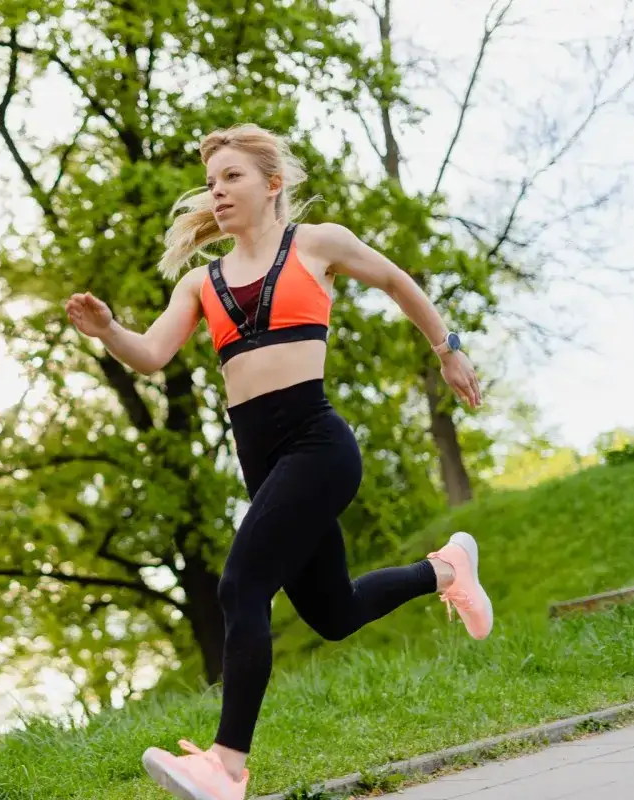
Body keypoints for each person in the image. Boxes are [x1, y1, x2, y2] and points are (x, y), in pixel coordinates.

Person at [63, 123, 493, 800]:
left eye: (231, 176)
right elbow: (151, 354)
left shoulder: (315, 244)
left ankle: (226, 767)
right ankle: (446, 570)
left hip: (318, 448)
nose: (217, 190)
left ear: (271, 184)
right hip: (264, 466)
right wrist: (109, 329)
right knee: (335, 613)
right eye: (211, 182)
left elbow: (395, 280)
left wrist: (448, 350)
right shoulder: (201, 284)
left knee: (240, 587)